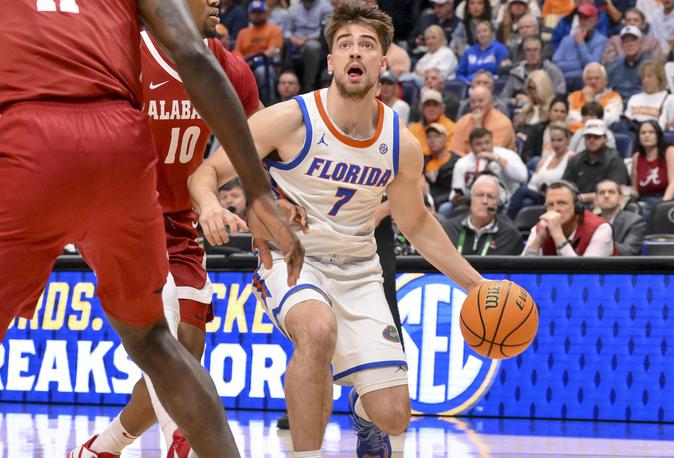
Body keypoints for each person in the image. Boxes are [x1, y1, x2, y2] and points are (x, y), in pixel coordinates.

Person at [1, 0, 305, 458]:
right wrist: (258, 193)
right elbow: (193, 55)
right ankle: (128, 446)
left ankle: (119, 446)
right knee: (157, 344)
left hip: (42, 147)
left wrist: (266, 193)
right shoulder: (141, 39)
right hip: (125, 164)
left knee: (184, 333)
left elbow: (260, 130)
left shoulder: (233, 66)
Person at [188, 3, 487, 456]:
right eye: (345, 44)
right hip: (294, 263)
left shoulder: (401, 144)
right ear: (330, 61)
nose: (356, 52)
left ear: (383, 63)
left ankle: (365, 416)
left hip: (360, 271)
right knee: (317, 328)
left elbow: (418, 223)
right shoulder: (290, 119)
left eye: (367, 46)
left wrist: (476, 284)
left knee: (394, 415)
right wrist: (209, 205)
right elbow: (204, 173)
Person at [442, 127, 528, 216]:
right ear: (471, 146)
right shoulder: (462, 163)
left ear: (492, 142)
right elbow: (455, 190)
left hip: (509, 201)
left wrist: (497, 159)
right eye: (478, 144)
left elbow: (523, 177)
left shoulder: (508, 155)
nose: (483, 147)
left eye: (487, 142)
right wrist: (456, 198)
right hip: (475, 204)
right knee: (446, 208)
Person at [522, 180, 615, 256]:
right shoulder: (539, 228)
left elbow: (583, 276)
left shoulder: (600, 229)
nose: (555, 209)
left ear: (577, 206)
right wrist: (539, 239)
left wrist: (558, 236)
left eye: (562, 203)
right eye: (550, 204)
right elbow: (522, 272)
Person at [441, 174, 524, 255]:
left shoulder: (510, 236)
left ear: (499, 203)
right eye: (480, 195)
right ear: (471, 199)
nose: (484, 201)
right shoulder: (448, 229)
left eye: (490, 196)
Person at [508, 123, 572, 217]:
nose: (555, 144)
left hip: (552, 196)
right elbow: (535, 179)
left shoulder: (570, 157)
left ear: (568, 140)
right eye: (553, 140)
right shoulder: (549, 157)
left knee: (522, 190)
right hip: (537, 193)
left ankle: (507, 220)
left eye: (559, 140)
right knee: (526, 203)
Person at [562, 119, 630, 202]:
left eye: (596, 137)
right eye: (588, 136)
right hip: (577, 206)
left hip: (604, 206)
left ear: (605, 139)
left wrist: (581, 198)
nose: (592, 140)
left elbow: (615, 192)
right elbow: (565, 187)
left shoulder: (614, 159)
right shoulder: (576, 160)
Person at [631, 120, 674, 208]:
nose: (647, 135)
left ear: (658, 135)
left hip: (672, 199)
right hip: (646, 200)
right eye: (643, 133)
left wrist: (661, 207)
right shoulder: (636, 157)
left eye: (651, 132)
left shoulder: (671, 151)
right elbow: (636, 190)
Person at [500, 35, 566, 108]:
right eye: (528, 50)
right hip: (520, 111)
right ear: (523, 54)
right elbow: (503, 98)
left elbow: (560, 96)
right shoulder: (516, 73)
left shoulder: (553, 71)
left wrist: (531, 101)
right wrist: (515, 101)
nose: (532, 53)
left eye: (535, 50)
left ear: (541, 52)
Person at [552, 4, 608, 90]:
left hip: (587, 84)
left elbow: (593, 66)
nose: (583, 21)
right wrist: (579, 65)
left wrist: (580, 43)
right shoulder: (567, 40)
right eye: (581, 18)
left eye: (587, 18)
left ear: (596, 20)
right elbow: (555, 64)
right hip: (565, 82)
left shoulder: (601, 40)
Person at [451, 86, 517, 156]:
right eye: (473, 102)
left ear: (491, 103)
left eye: (481, 101)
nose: (476, 105)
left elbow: (489, 153)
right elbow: (455, 151)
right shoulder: (463, 121)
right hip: (466, 164)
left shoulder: (502, 123)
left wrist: (477, 126)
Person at [283, 0, 334, 92]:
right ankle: (289, 81)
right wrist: (293, 38)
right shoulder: (293, 9)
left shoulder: (326, 7)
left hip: (317, 43)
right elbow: (286, 31)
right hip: (295, 43)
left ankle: (308, 86)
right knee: (285, 44)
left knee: (312, 47)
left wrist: (307, 39)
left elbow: (325, 31)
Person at [567, 62, 623, 132]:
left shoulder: (613, 97)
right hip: (573, 134)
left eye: (597, 78)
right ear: (584, 81)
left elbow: (608, 121)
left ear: (605, 80)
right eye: (589, 78)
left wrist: (590, 102)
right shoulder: (574, 96)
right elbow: (569, 118)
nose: (593, 82)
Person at [595, 179, 647, 255]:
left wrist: (599, 242)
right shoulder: (588, 222)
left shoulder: (635, 222)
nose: (606, 196)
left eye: (611, 192)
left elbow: (629, 251)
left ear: (621, 198)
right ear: (595, 200)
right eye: (601, 192)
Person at [605, 25, 651, 104]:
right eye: (626, 41)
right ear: (622, 45)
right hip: (616, 106)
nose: (630, 44)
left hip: (642, 106)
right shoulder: (614, 65)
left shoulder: (650, 64)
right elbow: (606, 89)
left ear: (640, 42)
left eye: (633, 40)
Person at [520, 95, 570, 162]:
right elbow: (527, 155)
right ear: (549, 112)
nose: (559, 114)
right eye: (555, 111)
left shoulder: (570, 134)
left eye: (562, 112)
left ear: (567, 115)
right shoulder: (537, 130)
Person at [408, 88, 456, 155]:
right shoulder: (413, 129)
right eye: (428, 105)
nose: (431, 108)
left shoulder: (452, 128)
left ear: (442, 108)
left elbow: (449, 153)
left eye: (435, 105)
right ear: (421, 108)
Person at [424, 123, 458, 208]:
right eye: (429, 137)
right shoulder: (422, 161)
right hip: (425, 202)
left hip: (448, 202)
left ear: (446, 138)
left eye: (436, 136)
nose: (432, 140)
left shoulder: (457, 161)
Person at [625, 60, 669, 125]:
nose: (645, 80)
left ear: (659, 79)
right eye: (643, 77)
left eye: (650, 76)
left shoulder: (668, 99)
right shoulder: (634, 98)